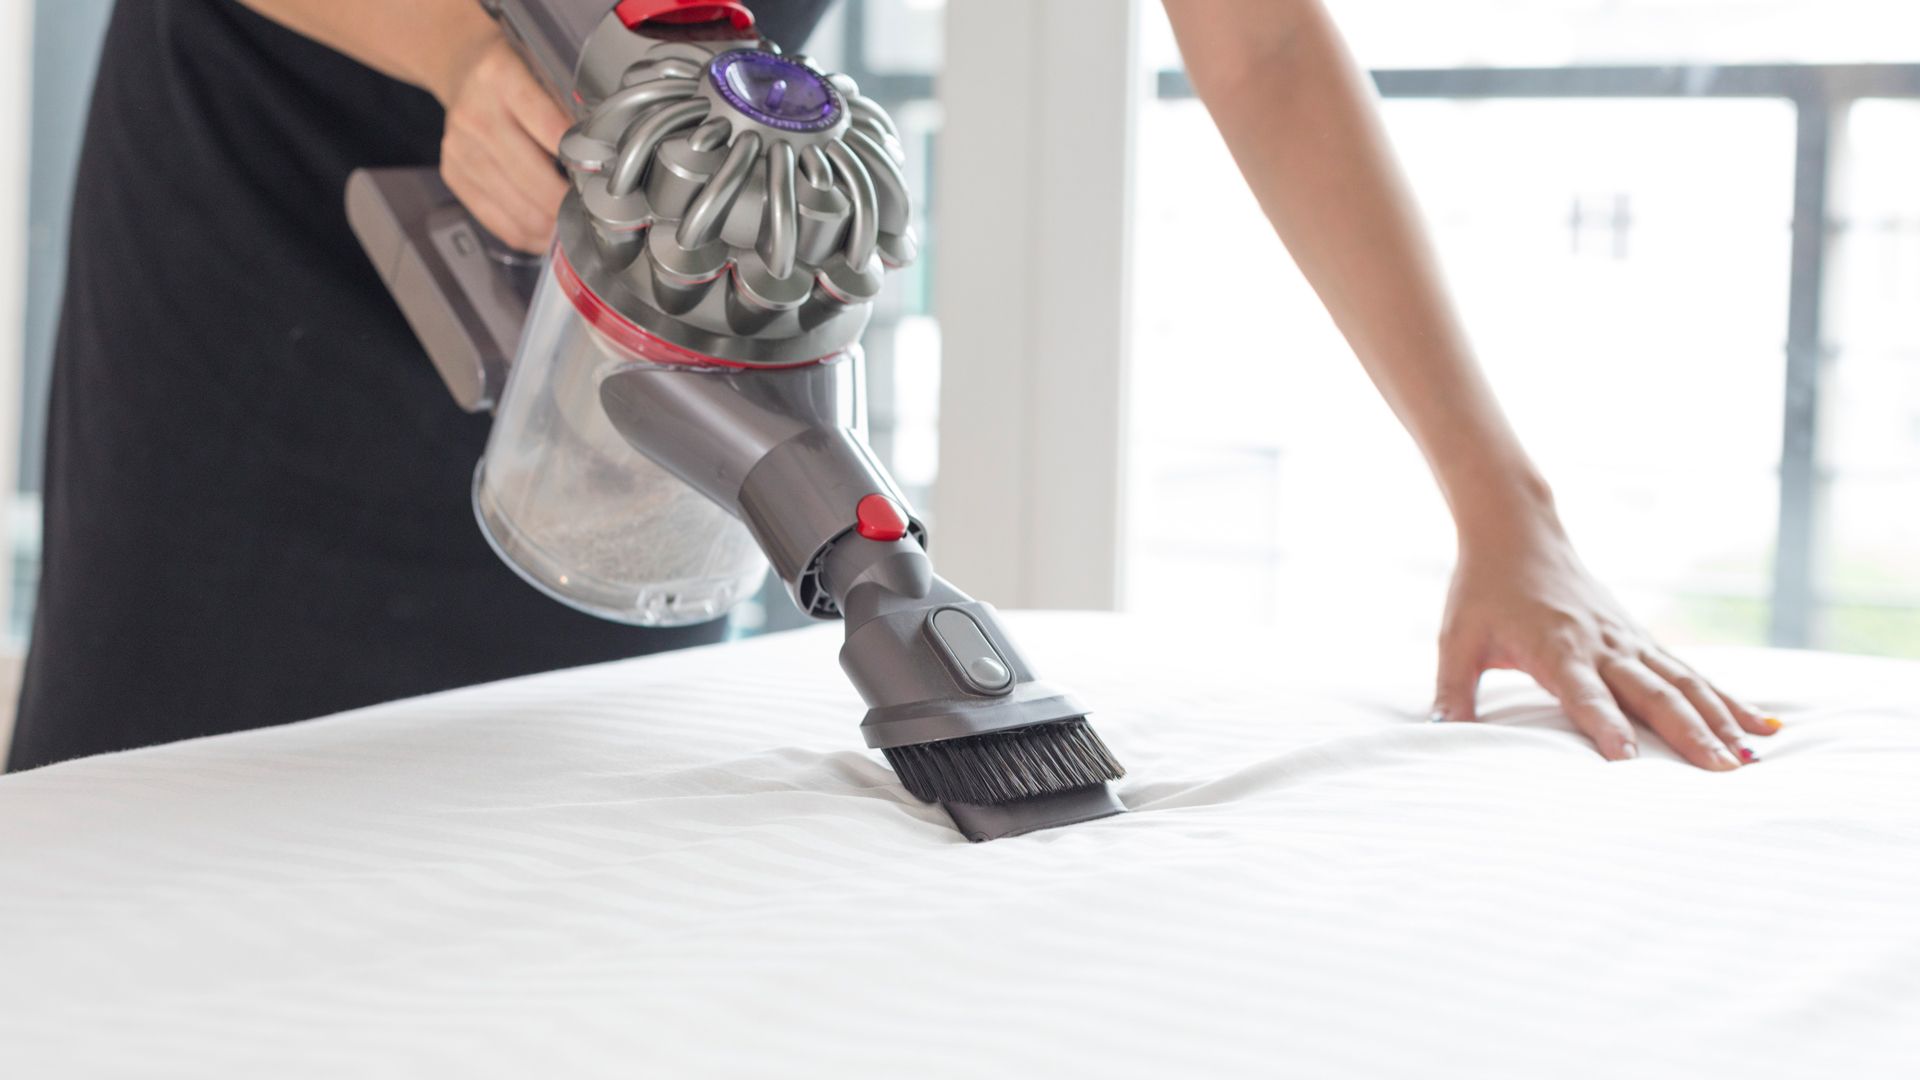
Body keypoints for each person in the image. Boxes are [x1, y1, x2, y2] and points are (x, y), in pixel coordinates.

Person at [7, 0, 1779, 773]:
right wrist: (467, 48)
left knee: (587, 797)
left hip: (680, 231)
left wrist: (1506, 510)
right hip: (291, 204)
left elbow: (1260, 44)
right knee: (187, 794)